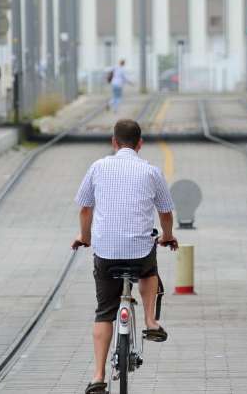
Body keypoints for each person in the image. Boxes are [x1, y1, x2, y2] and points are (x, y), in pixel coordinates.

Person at [72, 119, 177, 394]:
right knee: (149, 270)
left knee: (104, 312)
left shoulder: (98, 167)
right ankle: (151, 321)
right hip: (139, 251)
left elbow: (85, 208)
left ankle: (97, 377)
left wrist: (85, 238)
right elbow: (165, 212)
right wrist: (167, 235)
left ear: (113, 142)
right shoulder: (151, 171)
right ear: (140, 144)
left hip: (105, 252)